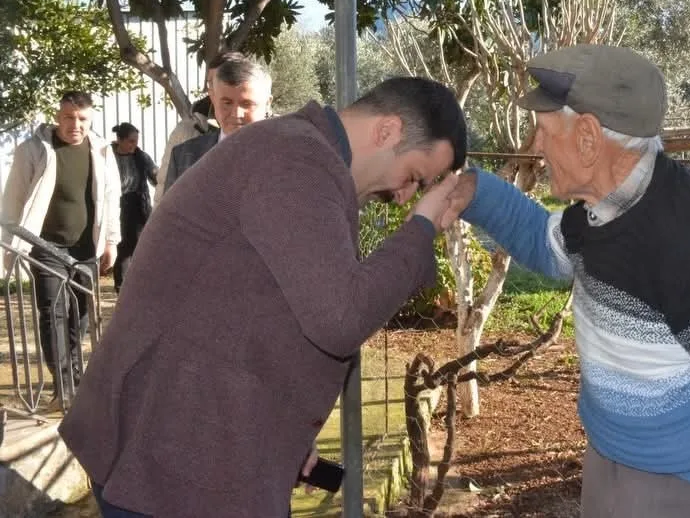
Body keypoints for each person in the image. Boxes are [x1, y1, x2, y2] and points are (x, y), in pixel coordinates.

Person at [59, 77, 470, 518]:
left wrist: (286, 431)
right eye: (412, 176)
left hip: (187, 449)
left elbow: (258, 310)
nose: (404, 196)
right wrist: (422, 227)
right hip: (170, 462)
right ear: (387, 131)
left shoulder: (298, 154)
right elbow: (340, 318)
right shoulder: (297, 159)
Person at [450, 46, 690, 518]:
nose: (537, 147)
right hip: (618, 461)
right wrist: (473, 190)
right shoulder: (603, 208)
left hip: (683, 486)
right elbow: (546, 245)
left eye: (546, 132)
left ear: (588, 138)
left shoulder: (686, 240)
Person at [0, 91, 122, 407]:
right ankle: (62, 383)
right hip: (45, 246)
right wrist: (13, 242)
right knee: (53, 313)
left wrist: (111, 241)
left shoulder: (102, 151)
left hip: (86, 248)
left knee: (80, 316)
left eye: (82, 119)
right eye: (69, 117)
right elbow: (12, 201)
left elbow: (111, 199)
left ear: (91, 119)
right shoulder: (34, 150)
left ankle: (76, 376)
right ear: (58, 116)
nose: (75, 125)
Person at [156, 52, 272, 198]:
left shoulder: (289, 156)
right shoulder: (184, 155)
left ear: (267, 104)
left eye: (247, 104)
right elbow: (169, 218)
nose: (236, 113)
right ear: (213, 98)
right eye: (227, 103)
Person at [110, 123, 158, 294]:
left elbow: (156, 177)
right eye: (130, 141)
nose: (134, 145)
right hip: (116, 203)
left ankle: (139, 283)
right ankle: (121, 286)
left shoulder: (141, 156)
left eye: (136, 141)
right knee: (121, 245)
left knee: (139, 244)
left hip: (137, 204)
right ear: (120, 140)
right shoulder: (109, 156)